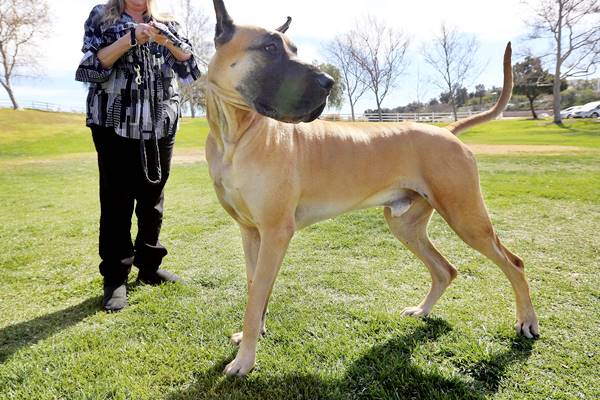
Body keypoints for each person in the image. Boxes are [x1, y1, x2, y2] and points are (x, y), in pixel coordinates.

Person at [75, 0, 201, 312]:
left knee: (152, 198)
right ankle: (116, 278)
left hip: (161, 123)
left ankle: (148, 267)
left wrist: (165, 39)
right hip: (113, 123)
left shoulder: (168, 21)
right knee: (117, 201)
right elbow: (90, 68)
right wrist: (130, 39)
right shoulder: (102, 16)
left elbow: (189, 72)